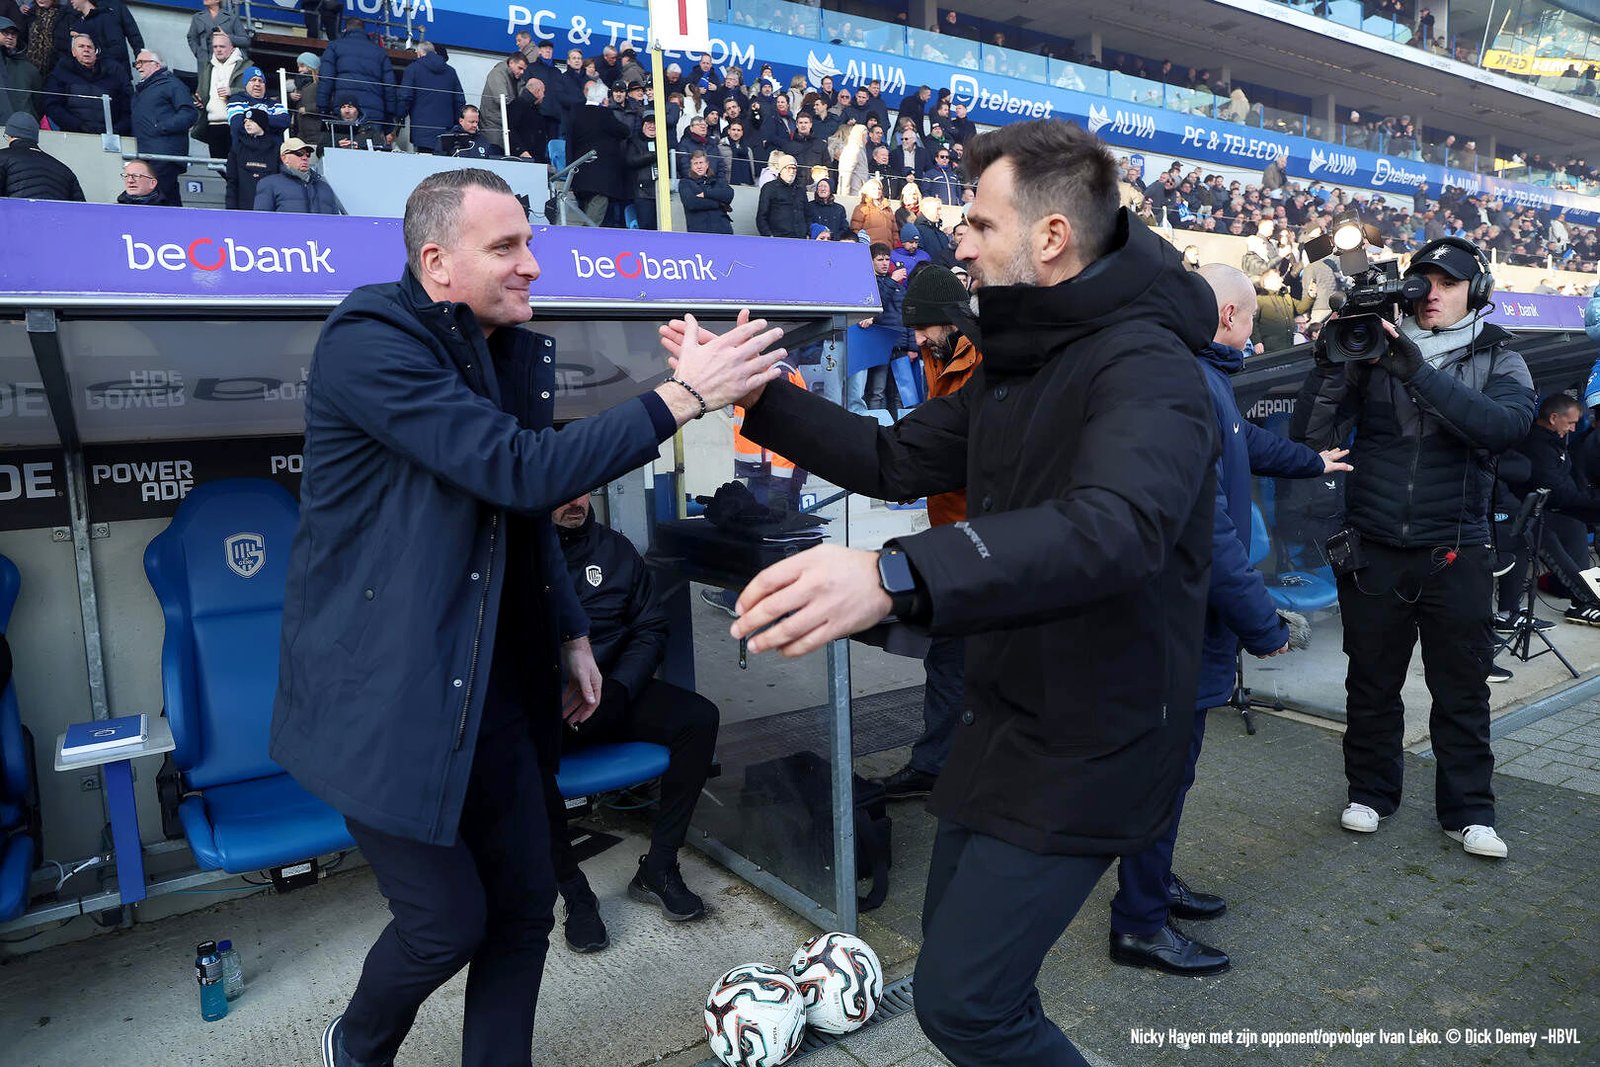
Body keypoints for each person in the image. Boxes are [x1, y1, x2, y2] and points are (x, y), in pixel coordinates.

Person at [665, 119, 1221, 1066]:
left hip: (1092, 740)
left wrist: (893, 575)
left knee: (967, 1009)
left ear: (1049, 237)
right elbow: (892, 458)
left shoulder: (1148, 367)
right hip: (1001, 721)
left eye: (976, 223)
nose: (955, 241)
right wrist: (757, 397)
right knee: (967, 983)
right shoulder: (1023, 354)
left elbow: (1114, 527)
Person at [269, 167, 788, 1067]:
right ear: (436, 261)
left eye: (530, 244)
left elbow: (516, 510)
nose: (531, 266)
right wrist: (683, 395)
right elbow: (522, 470)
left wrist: (573, 631)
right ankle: (353, 1046)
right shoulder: (369, 337)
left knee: (519, 915)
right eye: (505, 246)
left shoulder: (490, 349)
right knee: (446, 924)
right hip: (391, 706)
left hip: (501, 694)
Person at [1109, 263, 1351, 977]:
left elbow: (1246, 442)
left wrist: (1313, 460)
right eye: (1248, 320)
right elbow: (1208, 531)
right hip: (1175, 621)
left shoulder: (1199, 378)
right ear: (1228, 318)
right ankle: (1139, 923)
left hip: (1184, 617)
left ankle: (1150, 883)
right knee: (1161, 771)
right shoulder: (1186, 383)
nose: (1253, 334)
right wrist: (1265, 625)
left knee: (1171, 772)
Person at [1291, 236, 1535, 860]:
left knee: (1462, 686)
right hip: (1375, 546)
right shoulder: (1367, 350)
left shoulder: (1502, 357)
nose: (1432, 294)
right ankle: (1370, 793)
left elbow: (1501, 429)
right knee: (1371, 682)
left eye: (1448, 283)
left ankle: (1469, 812)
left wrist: (1415, 370)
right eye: (1424, 280)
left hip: (1458, 549)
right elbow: (1309, 435)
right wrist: (1328, 364)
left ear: (1474, 292)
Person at [547, 492, 720, 950]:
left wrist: (620, 688)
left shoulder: (614, 550)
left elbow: (650, 627)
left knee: (698, 719)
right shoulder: (517, 556)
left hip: (615, 694)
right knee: (516, 757)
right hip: (554, 708)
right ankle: (576, 896)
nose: (575, 501)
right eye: (561, 492)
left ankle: (658, 867)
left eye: (582, 489)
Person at [872, 265, 983, 798]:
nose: (915, 340)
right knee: (950, 660)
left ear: (949, 320)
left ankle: (948, 768)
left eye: (922, 329)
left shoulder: (983, 358)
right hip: (950, 530)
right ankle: (939, 765)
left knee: (960, 658)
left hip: (983, 538)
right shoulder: (940, 351)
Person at [1500, 393, 1600, 626]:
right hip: (1521, 514)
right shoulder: (1535, 445)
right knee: (1545, 535)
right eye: (1571, 422)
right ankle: (1585, 598)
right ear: (1554, 418)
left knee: (1574, 524)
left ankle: (1580, 602)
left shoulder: (1556, 441)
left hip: (1545, 508)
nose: (1574, 428)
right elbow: (1559, 491)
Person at [130, 49, 194, 207]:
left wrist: (162, 127)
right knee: (168, 199)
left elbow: (189, 113)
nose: (137, 66)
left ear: (156, 65)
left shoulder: (171, 84)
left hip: (164, 154)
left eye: (141, 62)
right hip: (149, 155)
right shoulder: (144, 90)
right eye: (136, 63)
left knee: (157, 199)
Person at [316, 17, 393, 137]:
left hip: (343, 109)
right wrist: (389, 117)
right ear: (364, 30)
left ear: (345, 29)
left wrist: (323, 108)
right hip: (374, 112)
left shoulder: (335, 46)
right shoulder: (380, 52)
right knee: (371, 150)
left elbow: (326, 79)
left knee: (342, 146)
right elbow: (389, 87)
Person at [570, 79, 631, 227]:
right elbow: (625, 131)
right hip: (601, 179)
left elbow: (569, 143)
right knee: (592, 222)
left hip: (579, 175)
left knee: (584, 212)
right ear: (604, 99)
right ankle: (584, 246)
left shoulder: (575, 113)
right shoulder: (605, 114)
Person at [42, 31, 128, 134]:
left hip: (108, 136)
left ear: (96, 52)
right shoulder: (61, 73)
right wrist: (78, 126)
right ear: (73, 52)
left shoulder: (112, 75)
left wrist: (117, 130)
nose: (86, 50)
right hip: (72, 135)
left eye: (90, 47)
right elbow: (52, 105)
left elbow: (126, 107)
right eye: (81, 46)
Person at [397, 40, 464, 154]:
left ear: (419, 53)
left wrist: (399, 116)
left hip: (421, 132)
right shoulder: (451, 72)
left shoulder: (413, 69)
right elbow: (459, 101)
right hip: (446, 132)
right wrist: (456, 126)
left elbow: (405, 97)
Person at [0, 109, 84, 200]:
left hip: (16, 213)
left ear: (9, 135)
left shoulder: (2, 158)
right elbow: (80, 209)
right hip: (52, 214)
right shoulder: (65, 171)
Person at [253, 136, 345, 214]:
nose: (305, 157)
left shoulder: (324, 187)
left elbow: (336, 224)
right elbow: (261, 222)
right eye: (299, 153)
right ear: (284, 158)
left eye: (307, 154)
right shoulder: (269, 184)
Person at [194, 29, 247, 158]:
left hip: (235, 125)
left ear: (232, 48)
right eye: (215, 47)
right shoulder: (209, 68)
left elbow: (255, 93)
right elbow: (202, 93)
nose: (218, 50)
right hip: (212, 125)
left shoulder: (245, 67)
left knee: (235, 166)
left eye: (222, 46)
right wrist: (201, 103)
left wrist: (232, 92)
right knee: (217, 165)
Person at [224, 105, 279, 209]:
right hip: (243, 206)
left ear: (262, 123)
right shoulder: (237, 148)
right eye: (245, 122)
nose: (247, 124)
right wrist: (231, 209)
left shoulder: (275, 148)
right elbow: (232, 181)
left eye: (252, 121)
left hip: (270, 207)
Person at [679, 149, 732, 234]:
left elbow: (729, 195)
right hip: (700, 231)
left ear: (707, 164)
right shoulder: (685, 183)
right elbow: (692, 203)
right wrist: (720, 203)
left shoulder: (717, 180)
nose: (699, 166)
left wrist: (706, 194)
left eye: (701, 163)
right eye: (695, 163)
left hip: (723, 230)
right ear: (691, 166)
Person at [755, 153, 807, 239]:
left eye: (794, 168)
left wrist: (807, 233)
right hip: (778, 239)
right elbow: (762, 216)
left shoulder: (801, 190)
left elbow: (807, 214)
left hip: (800, 238)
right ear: (781, 170)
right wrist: (768, 236)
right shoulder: (769, 188)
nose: (792, 171)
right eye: (788, 168)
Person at [185, 0, 247, 68]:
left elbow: (245, 41)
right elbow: (191, 38)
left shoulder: (231, 18)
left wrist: (227, 37)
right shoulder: (197, 17)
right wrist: (200, 55)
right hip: (206, 62)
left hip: (228, 62)